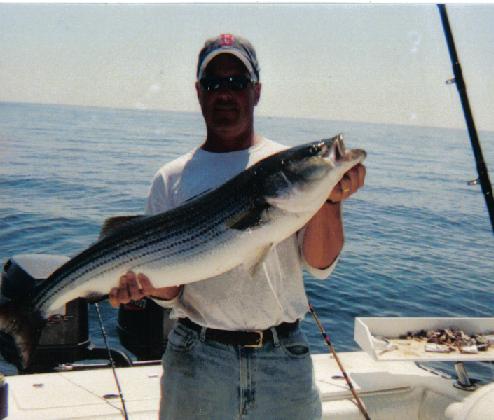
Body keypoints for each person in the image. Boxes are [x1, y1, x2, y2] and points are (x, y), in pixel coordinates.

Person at [109, 33, 365, 419]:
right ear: (199, 92)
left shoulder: (283, 168)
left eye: (237, 82)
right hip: (198, 361)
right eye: (214, 83)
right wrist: (143, 286)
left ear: (256, 91)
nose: (225, 93)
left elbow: (320, 264)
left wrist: (330, 198)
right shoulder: (171, 178)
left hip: (283, 362)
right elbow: (172, 288)